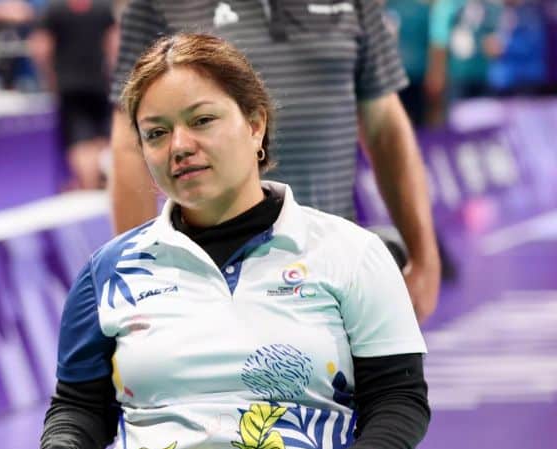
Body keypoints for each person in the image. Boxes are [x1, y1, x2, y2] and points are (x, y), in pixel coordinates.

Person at [25, 33, 430, 449]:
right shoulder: (109, 271)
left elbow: (400, 396)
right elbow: (79, 403)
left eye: (202, 120)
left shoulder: (348, 255)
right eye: (155, 133)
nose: (178, 145)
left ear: (255, 123)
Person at [108, 0, 442, 322]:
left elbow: (384, 124)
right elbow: (130, 141)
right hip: (211, 285)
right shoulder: (152, 4)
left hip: (334, 274)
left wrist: (424, 257)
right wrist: (140, 278)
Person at [29, 0, 118, 190]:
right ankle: (100, 184)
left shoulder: (54, 9)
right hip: (99, 83)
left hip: (68, 84)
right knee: (100, 136)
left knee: (79, 139)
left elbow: (41, 48)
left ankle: (89, 186)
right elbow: (114, 44)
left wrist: (48, 77)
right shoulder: (102, 7)